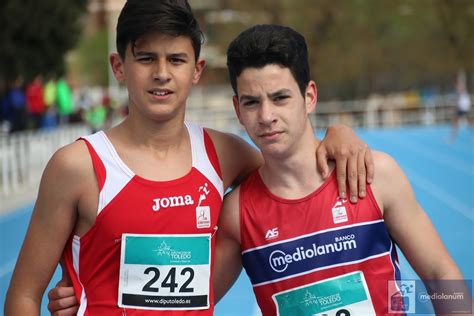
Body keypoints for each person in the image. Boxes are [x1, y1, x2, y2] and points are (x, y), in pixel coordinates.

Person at [5, 1, 372, 315]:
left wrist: (338, 134)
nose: (162, 74)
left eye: (176, 59)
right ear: (119, 67)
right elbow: (22, 294)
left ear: (196, 70)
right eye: (146, 58)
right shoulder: (77, 167)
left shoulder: (224, 155)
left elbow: (293, 170)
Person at [211, 24, 466, 315]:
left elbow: (441, 275)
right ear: (237, 110)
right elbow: (191, 304)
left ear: (309, 97)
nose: (266, 116)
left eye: (280, 98)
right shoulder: (236, 214)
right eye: (252, 103)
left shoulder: (375, 175)